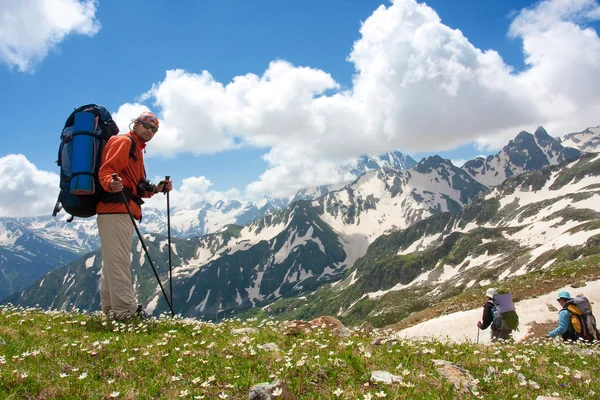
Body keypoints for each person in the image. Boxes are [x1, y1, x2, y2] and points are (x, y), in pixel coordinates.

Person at [96, 111, 172, 321]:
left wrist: (157, 189)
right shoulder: (124, 142)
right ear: (136, 124)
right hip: (116, 209)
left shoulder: (136, 148)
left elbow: (137, 188)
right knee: (119, 261)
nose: (150, 131)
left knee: (112, 262)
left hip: (121, 209)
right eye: (147, 126)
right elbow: (107, 170)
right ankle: (126, 313)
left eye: (154, 129)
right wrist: (111, 183)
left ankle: (112, 310)